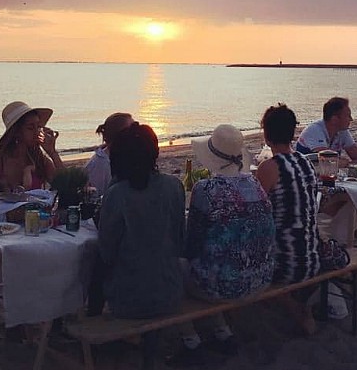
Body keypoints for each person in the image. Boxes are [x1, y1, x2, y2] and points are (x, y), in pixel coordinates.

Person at [170, 124, 275, 363]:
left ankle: (190, 338)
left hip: (226, 286)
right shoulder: (256, 185)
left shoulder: (206, 189)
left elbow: (191, 245)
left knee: (172, 265)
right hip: (260, 278)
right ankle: (221, 331)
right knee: (218, 263)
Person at [98, 123, 186, 319]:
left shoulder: (117, 194)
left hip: (128, 301)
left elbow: (106, 252)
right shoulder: (174, 186)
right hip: (171, 293)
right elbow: (180, 241)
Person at [255, 104, 321, 334]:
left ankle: (296, 308)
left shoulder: (268, 168)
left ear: (266, 134)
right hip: (313, 257)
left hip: (287, 264)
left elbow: (255, 215)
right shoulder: (305, 162)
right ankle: (303, 306)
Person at [0, 101, 64, 216]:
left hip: (35, 224)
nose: (37, 132)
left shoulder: (39, 159)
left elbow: (65, 185)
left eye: (38, 127)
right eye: (30, 128)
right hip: (2, 225)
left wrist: (53, 153)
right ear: (16, 132)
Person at [295, 97, 357, 166]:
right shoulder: (315, 130)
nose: (351, 119)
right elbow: (326, 162)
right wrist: (343, 163)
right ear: (334, 119)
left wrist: (345, 164)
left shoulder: (342, 131)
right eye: (348, 116)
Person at [83, 112, 134, 196]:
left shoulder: (125, 157)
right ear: (120, 135)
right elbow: (95, 197)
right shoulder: (102, 164)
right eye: (132, 129)